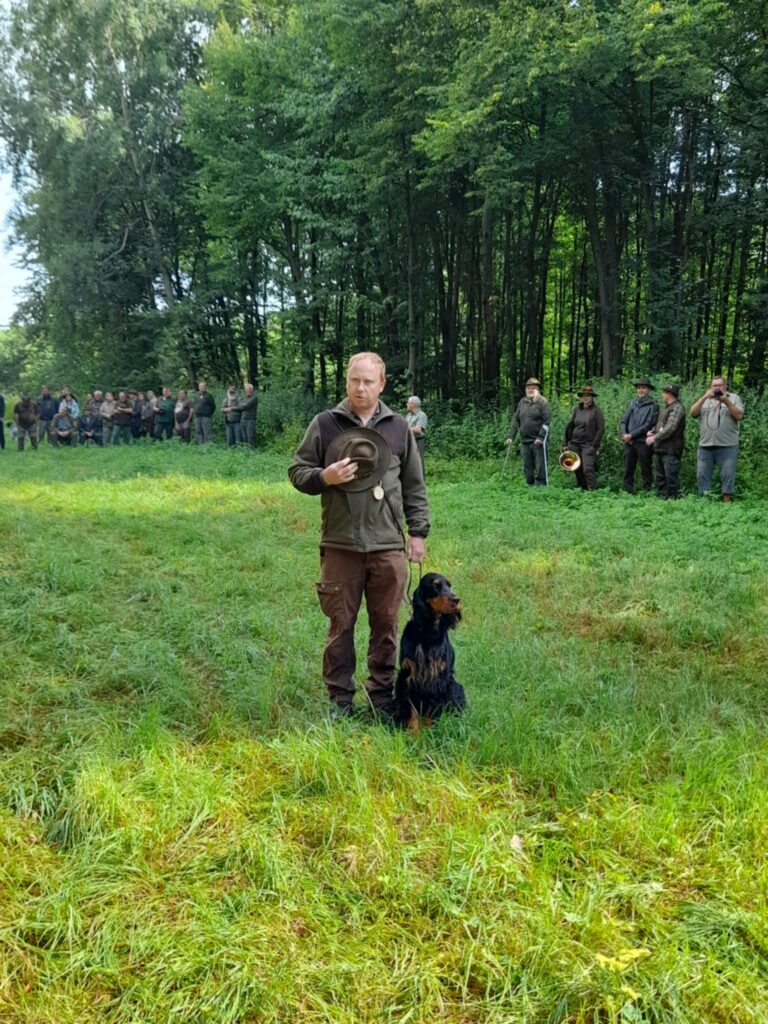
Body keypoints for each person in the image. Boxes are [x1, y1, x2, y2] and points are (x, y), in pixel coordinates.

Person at [288, 351, 430, 719]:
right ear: (347, 381)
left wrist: (417, 533)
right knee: (341, 627)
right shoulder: (325, 424)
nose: (360, 387)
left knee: (386, 628)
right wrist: (324, 477)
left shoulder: (399, 427)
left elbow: (414, 484)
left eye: (368, 381)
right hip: (341, 546)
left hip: (388, 547)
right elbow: (297, 471)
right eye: (354, 380)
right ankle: (340, 700)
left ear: (381, 384)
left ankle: (381, 696)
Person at [690, 374, 744, 502]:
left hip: (727, 444)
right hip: (705, 445)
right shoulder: (705, 399)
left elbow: (739, 416)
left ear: (724, 386)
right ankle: (705, 502)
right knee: (702, 475)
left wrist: (726, 401)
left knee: (728, 475)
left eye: (720, 385)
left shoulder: (734, 398)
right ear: (710, 387)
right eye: (715, 385)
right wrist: (704, 397)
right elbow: (693, 413)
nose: (717, 388)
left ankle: (726, 504)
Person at [506, 377, 550, 486]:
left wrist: (541, 437)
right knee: (527, 467)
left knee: (540, 467)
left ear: (538, 390)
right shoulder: (522, 402)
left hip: (538, 442)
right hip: (525, 441)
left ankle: (541, 488)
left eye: (533, 388)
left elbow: (547, 421)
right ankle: (529, 486)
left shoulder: (543, 402)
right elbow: (516, 420)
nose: (530, 390)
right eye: (528, 388)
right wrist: (511, 436)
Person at [645, 383, 686, 499]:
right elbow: (661, 425)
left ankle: (674, 502)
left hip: (671, 450)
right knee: (660, 478)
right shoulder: (665, 408)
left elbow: (671, 428)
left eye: (664, 392)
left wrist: (654, 438)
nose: (662, 394)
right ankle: (663, 500)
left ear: (669, 394)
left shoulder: (677, 407)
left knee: (671, 478)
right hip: (660, 449)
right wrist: (653, 431)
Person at [619, 378, 659, 493]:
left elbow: (648, 425)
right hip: (629, 442)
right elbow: (623, 421)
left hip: (643, 442)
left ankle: (646, 493)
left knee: (645, 469)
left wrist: (631, 435)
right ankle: (628, 492)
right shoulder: (633, 403)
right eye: (639, 388)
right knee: (628, 469)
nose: (641, 390)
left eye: (643, 388)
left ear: (649, 390)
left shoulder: (653, 405)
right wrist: (624, 434)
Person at [563, 385, 605, 491]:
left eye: (588, 396)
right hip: (575, 443)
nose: (586, 397)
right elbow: (570, 426)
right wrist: (565, 443)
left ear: (592, 397)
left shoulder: (596, 411)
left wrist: (594, 445)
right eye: (584, 396)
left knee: (588, 468)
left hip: (588, 444)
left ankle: (592, 490)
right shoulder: (577, 410)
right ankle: (582, 489)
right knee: (577, 467)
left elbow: (600, 429)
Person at [405, 396, 428, 472]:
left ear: (413, 404)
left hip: (418, 441)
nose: (406, 404)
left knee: (418, 460)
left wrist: (406, 429)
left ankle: (421, 481)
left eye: (408, 403)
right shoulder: (408, 415)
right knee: (408, 460)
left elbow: (418, 430)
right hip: (409, 440)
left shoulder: (422, 415)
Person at [240, 383, 258, 447]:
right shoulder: (244, 397)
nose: (248, 391)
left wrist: (243, 404)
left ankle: (252, 452)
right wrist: (243, 404)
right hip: (243, 419)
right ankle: (246, 451)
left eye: (249, 390)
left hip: (250, 420)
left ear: (252, 390)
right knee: (244, 437)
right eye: (246, 390)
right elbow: (240, 404)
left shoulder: (254, 398)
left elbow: (246, 405)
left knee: (250, 436)